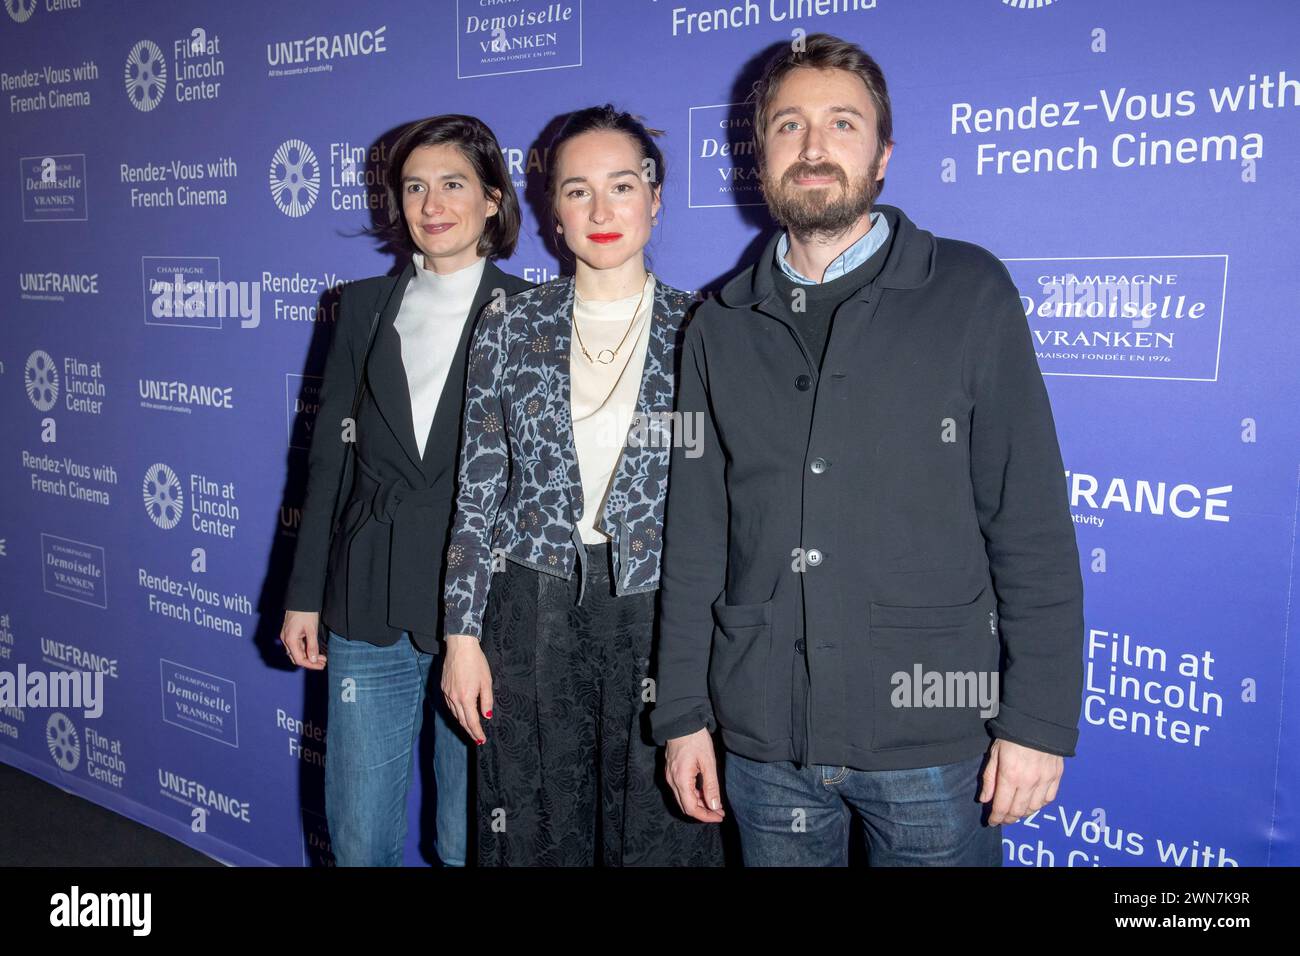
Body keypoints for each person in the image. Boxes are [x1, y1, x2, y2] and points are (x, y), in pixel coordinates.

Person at [651, 34, 1085, 866]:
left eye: (842, 124)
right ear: (759, 155)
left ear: (883, 154)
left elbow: (1028, 520)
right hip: (763, 736)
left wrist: (1035, 720)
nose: (813, 148)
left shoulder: (968, 291)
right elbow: (697, 539)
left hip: (932, 736)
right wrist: (680, 713)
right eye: (788, 126)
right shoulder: (719, 324)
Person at [440, 104, 725, 867]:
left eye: (622, 185)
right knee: (531, 829)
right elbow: (477, 488)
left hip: (662, 613)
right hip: (528, 607)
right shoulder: (508, 322)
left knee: (661, 835)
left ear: (656, 197)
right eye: (576, 190)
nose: (602, 210)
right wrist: (460, 636)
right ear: (550, 210)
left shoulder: (706, 327)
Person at [280, 115, 532, 866]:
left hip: (487, 612)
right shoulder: (361, 306)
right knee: (360, 839)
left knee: (471, 839)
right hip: (368, 595)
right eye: (414, 186)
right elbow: (329, 463)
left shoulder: (533, 313)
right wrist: (304, 595)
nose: (431, 203)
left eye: (452, 183)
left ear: (492, 198)